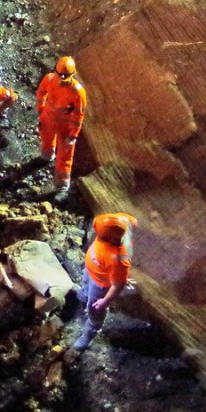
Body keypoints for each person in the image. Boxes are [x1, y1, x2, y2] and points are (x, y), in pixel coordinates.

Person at [73, 212, 137, 351]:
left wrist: (104, 302)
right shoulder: (121, 222)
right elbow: (133, 222)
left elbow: (118, 285)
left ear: (111, 237)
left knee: (94, 309)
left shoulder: (118, 258)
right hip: (91, 271)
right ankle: (83, 295)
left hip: (101, 284)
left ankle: (89, 333)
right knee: (85, 287)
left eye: (100, 234)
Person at [36, 56, 87, 194]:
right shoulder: (50, 79)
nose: (61, 79)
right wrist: (41, 112)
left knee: (65, 153)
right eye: (60, 75)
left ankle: (62, 183)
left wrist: (73, 135)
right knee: (46, 138)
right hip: (48, 117)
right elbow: (41, 94)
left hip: (65, 124)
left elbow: (78, 115)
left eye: (65, 76)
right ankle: (47, 155)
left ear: (73, 74)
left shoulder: (78, 92)